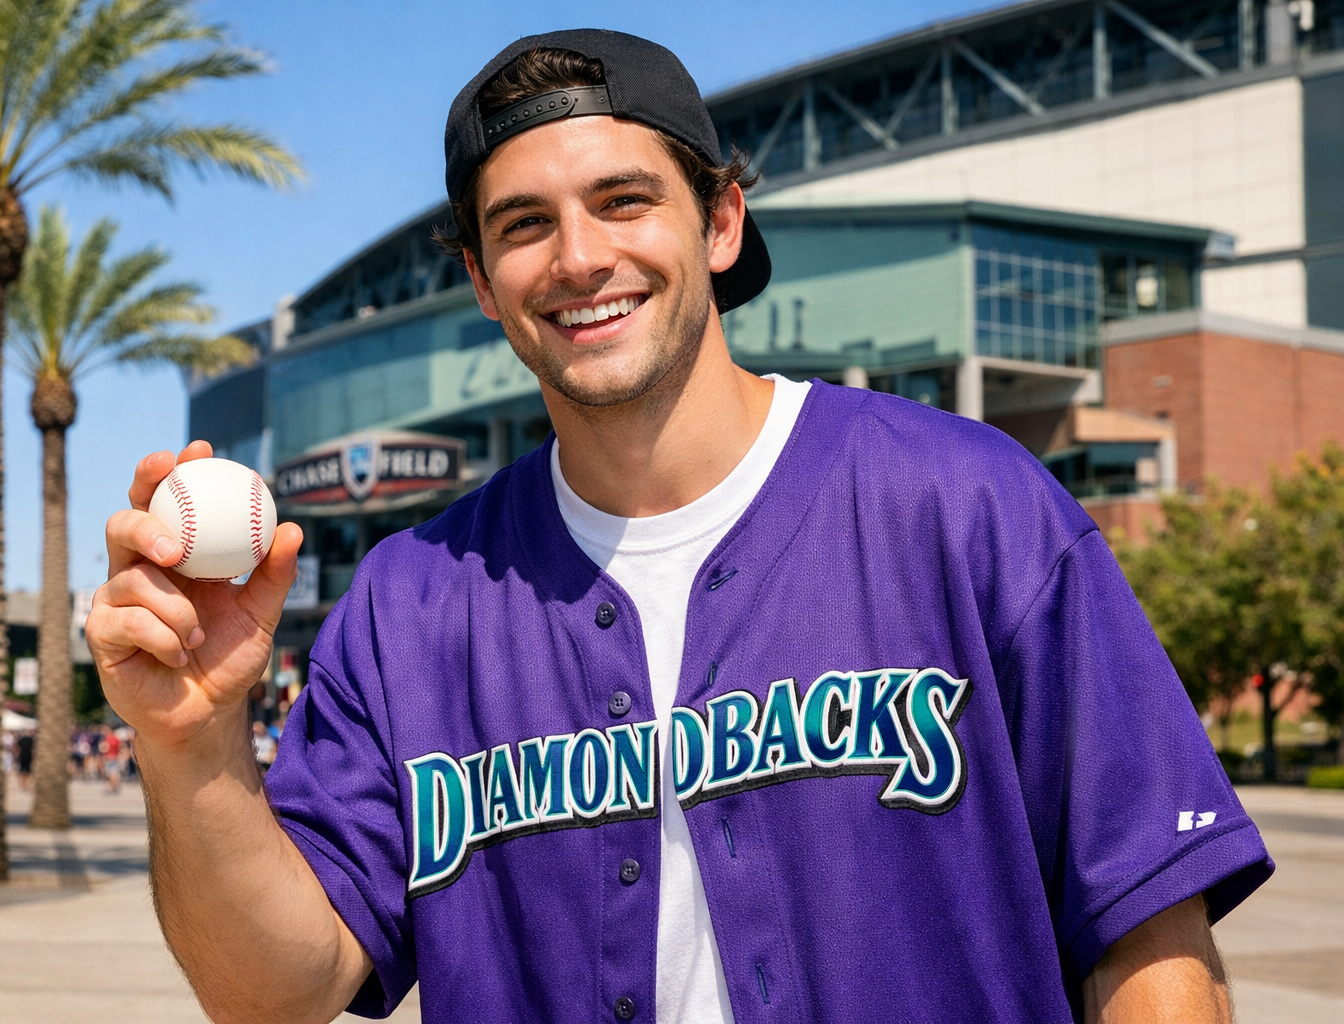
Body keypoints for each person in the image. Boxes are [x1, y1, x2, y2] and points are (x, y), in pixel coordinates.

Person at [87, 31, 1272, 1024]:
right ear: (484, 280)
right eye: (523, 225)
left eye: (623, 200)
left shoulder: (970, 506)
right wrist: (191, 745)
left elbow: (1151, 944)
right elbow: (276, 989)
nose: (580, 256)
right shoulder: (409, 606)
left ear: (718, 223)